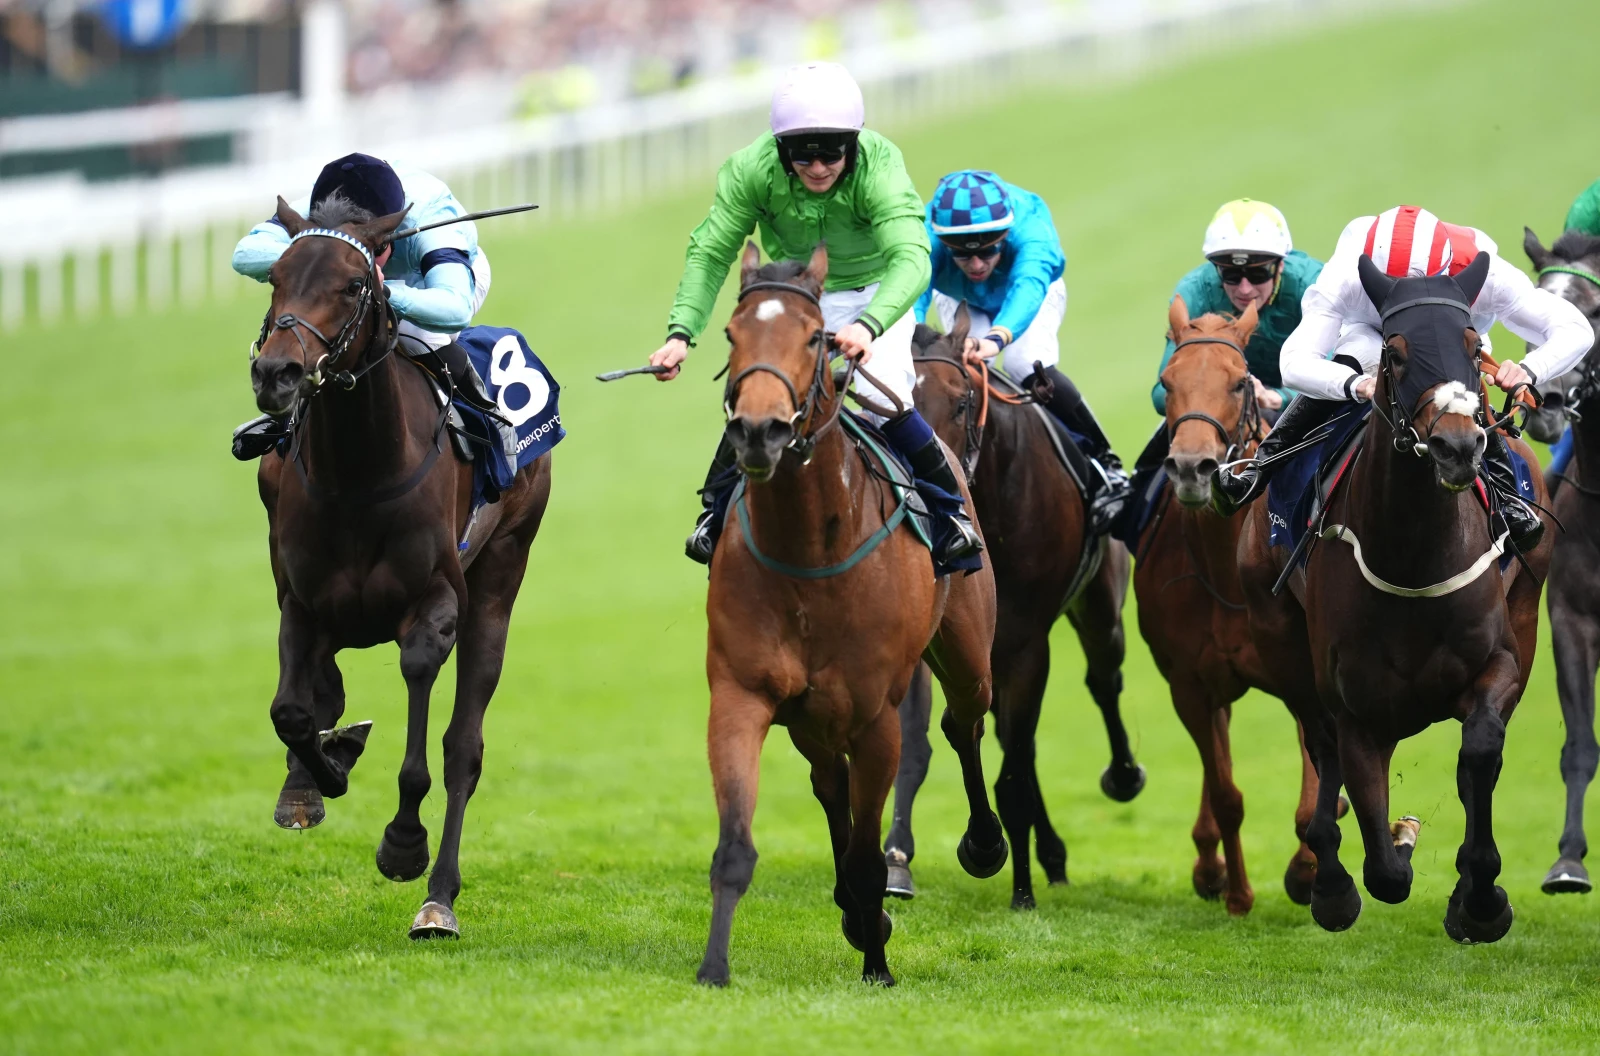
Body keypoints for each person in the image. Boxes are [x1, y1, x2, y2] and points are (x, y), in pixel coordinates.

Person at [647, 62, 982, 569]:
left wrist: (869, 325)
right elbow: (711, 252)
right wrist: (681, 334)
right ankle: (714, 514)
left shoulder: (880, 164)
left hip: (877, 294)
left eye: (832, 151)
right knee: (761, 392)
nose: (819, 166)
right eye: (803, 153)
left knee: (884, 394)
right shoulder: (750, 169)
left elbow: (912, 258)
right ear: (779, 147)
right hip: (797, 292)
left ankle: (950, 514)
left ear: (854, 142)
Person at [1211, 204, 1595, 553]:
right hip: (1374, 334)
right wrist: (1353, 384)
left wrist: (1530, 370)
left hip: (1454, 333)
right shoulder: (1347, 274)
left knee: (1465, 374)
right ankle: (1261, 467)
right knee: (1356, 354)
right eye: (1393, 285)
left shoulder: (1489, 275)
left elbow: (1576, 329)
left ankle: (1506, 495)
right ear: (1375, 274)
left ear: (1445, 270)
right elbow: (1294, 361)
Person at [230, 152, 492, 458]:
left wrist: (385, 291)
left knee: (419, 338)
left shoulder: (431, 215)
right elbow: (245, 254)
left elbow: (454, 307)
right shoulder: (324, 203)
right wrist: (324, 267)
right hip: (347, 281)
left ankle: (488, 418)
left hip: (429, 280)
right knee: (315, 317)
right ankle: (287, 414)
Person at [915, 169, 1129, 534]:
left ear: (1006, 235)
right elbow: (913, 289)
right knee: (947, 373)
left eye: (988, 250)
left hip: (1032, 292)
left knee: (1021, 363)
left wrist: (996, 339)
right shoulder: (925, 236)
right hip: (960, 296)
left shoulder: (1031, 233)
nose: (978, 265)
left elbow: (1029, 287)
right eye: (963, 255)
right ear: (943, 242)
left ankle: (1105, 463)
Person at [1113, 199, 1320, 541]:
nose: (1244, 289)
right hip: (1218, 404)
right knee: (1150, 473)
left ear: (1281, 266)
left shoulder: (1314, 287)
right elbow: (1160, 393)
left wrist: (1278, 397)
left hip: (1305, 398)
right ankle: (1124, 511)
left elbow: (1335, 370)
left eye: (1258, 274)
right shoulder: (1193, 291)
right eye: (1229, 274)